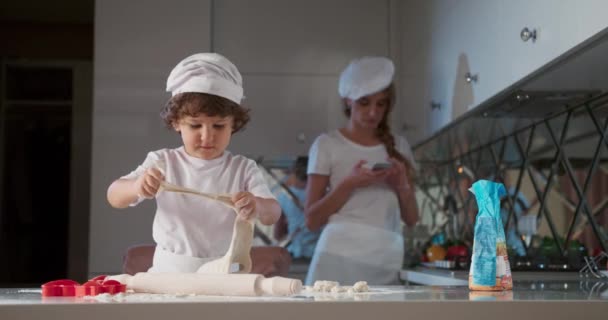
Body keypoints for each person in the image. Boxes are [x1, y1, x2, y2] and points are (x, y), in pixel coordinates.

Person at [106, 53, 282, 273]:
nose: (207, 137)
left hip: (225, 273)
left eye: (218, 126)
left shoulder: (243, 168)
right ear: (177, 122)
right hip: (169, 274)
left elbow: (272, 213)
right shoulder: (163, 161)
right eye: (195, 126)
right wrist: (136, 186)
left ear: (233, 125)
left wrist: (257, 205)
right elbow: (114, 196)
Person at [304, 56, 419, 285]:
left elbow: (412, 218)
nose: (373, 112)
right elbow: (312, 220)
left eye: (381, 104)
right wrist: (350, 183)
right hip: (337, 257)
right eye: (364, 102)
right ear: (348, 101)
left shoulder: (400, 146)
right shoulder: (327, 144)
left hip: (386, 257)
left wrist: (402, 186)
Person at [274, 156, 321, 260]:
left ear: (294, 172)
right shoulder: (323, 195)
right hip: (318, 252)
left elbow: (278, 234)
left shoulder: (283, 197)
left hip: (294, 252)